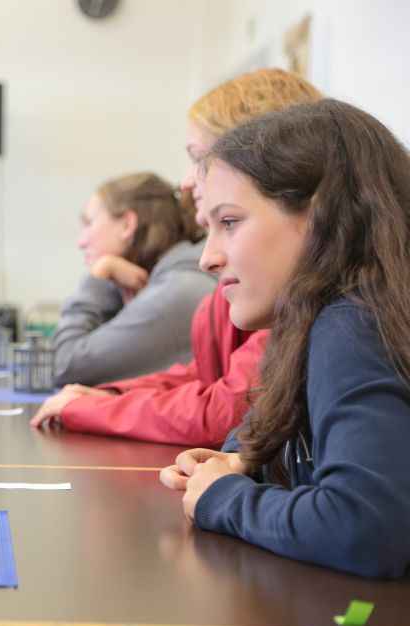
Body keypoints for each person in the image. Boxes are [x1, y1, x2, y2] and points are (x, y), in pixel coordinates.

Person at [160, 99, 410, 578]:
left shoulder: (354, 325)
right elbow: (269, 426)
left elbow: (364, 529)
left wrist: (223, 498)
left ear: (319, 218)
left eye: (229, 222)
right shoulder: (317, 320)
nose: (207, 258)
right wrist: (241, 458)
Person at [31, 68, 322, 446]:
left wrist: (96, 407)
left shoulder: (216, 287)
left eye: (199, 158)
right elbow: (206, 375)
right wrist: (113, 396)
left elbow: (226, 407)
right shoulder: (243, 285)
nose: (185, 182)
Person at [52, 172, 214, 386]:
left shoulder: (171, 294)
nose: (81, 242)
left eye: (89, 223)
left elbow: (65, 365)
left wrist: (98, 275)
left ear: (127, 225)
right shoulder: (173, 281)